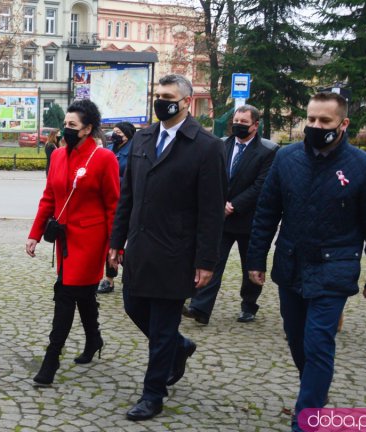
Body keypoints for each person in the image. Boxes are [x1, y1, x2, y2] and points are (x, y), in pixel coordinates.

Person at [246, 92, 366, 432]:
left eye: (324, 121)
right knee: (295, 337)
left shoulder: (365, 168)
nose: (316, 126)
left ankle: (306, 418)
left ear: (343, 124)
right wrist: (255, 258)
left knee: (318, 342)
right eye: (311, 119)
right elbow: (266, 212)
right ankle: (315, 392)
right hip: (291, 264)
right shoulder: (286, 158)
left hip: (335, 267)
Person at [108, 74, 226, 421]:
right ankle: (180, 346)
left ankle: (153, 393)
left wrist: (207, 261)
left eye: (169, 96)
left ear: (187, 102)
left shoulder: (207, 146)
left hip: (177, 252)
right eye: (158, 95)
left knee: (161, 326)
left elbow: (211, 211)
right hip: (141, 248)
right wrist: (116, 241)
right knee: (132, 305)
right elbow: (126, 196)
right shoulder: (143, 139)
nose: (161, 101)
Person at [26, 99, 120, 387]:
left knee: (66, 295)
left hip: (91, 242)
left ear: (88, 128)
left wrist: (114, 247)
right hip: (64, 240)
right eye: (65, 124)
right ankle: (94, 339)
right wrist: (35, 233)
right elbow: (49, 197)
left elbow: (114, 205)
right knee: (81, 295)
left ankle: (51, 359)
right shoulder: (57, 156)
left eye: (72, 125)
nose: (66, 129)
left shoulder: (104, 159)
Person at [183, 105, 278, 324]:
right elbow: (210, 177)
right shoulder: (220, 145)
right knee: (212, 263)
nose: (238, 125)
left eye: (244, 123)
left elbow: (261, 185)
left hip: (249, 219)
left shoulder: (268, 151)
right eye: (236, 121)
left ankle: (249, 305)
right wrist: (217, 204)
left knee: (250, 266)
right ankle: (200, 308)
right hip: (221, 219)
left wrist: (233, 205)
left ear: (255, 125)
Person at [97, 121, 135, 294]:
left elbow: (133, 177)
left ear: (127, 134)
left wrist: (113, 181)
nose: (115, 134)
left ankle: (133, 276)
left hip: (129, 201)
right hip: (109, 201)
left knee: (131, 242)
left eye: (119, 132)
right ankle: (109, 279)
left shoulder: (135, 150)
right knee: (111, 238)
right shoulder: (110, 148)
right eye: (114, 131)